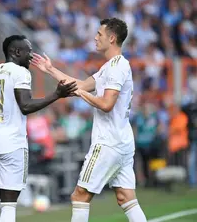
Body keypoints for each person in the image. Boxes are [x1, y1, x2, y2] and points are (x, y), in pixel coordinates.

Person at [31, 18, 147, 222]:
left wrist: (79, 94)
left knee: (80, 196)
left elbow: (105, 104)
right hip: (122, 141)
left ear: (112, 38)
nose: (95, 37)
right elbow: (82, 85)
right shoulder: (110, 66)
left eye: (100, 34)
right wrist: (50, 69)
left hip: (108, 143)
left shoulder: (117, 67)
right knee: (125, 197)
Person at [0, 35, 77, 222]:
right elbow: (25, 106)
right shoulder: (20, 73)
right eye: (29, 50)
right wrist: (57, 95)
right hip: (12, 145)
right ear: (16, 52)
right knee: (9, 204)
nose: (31, 55)